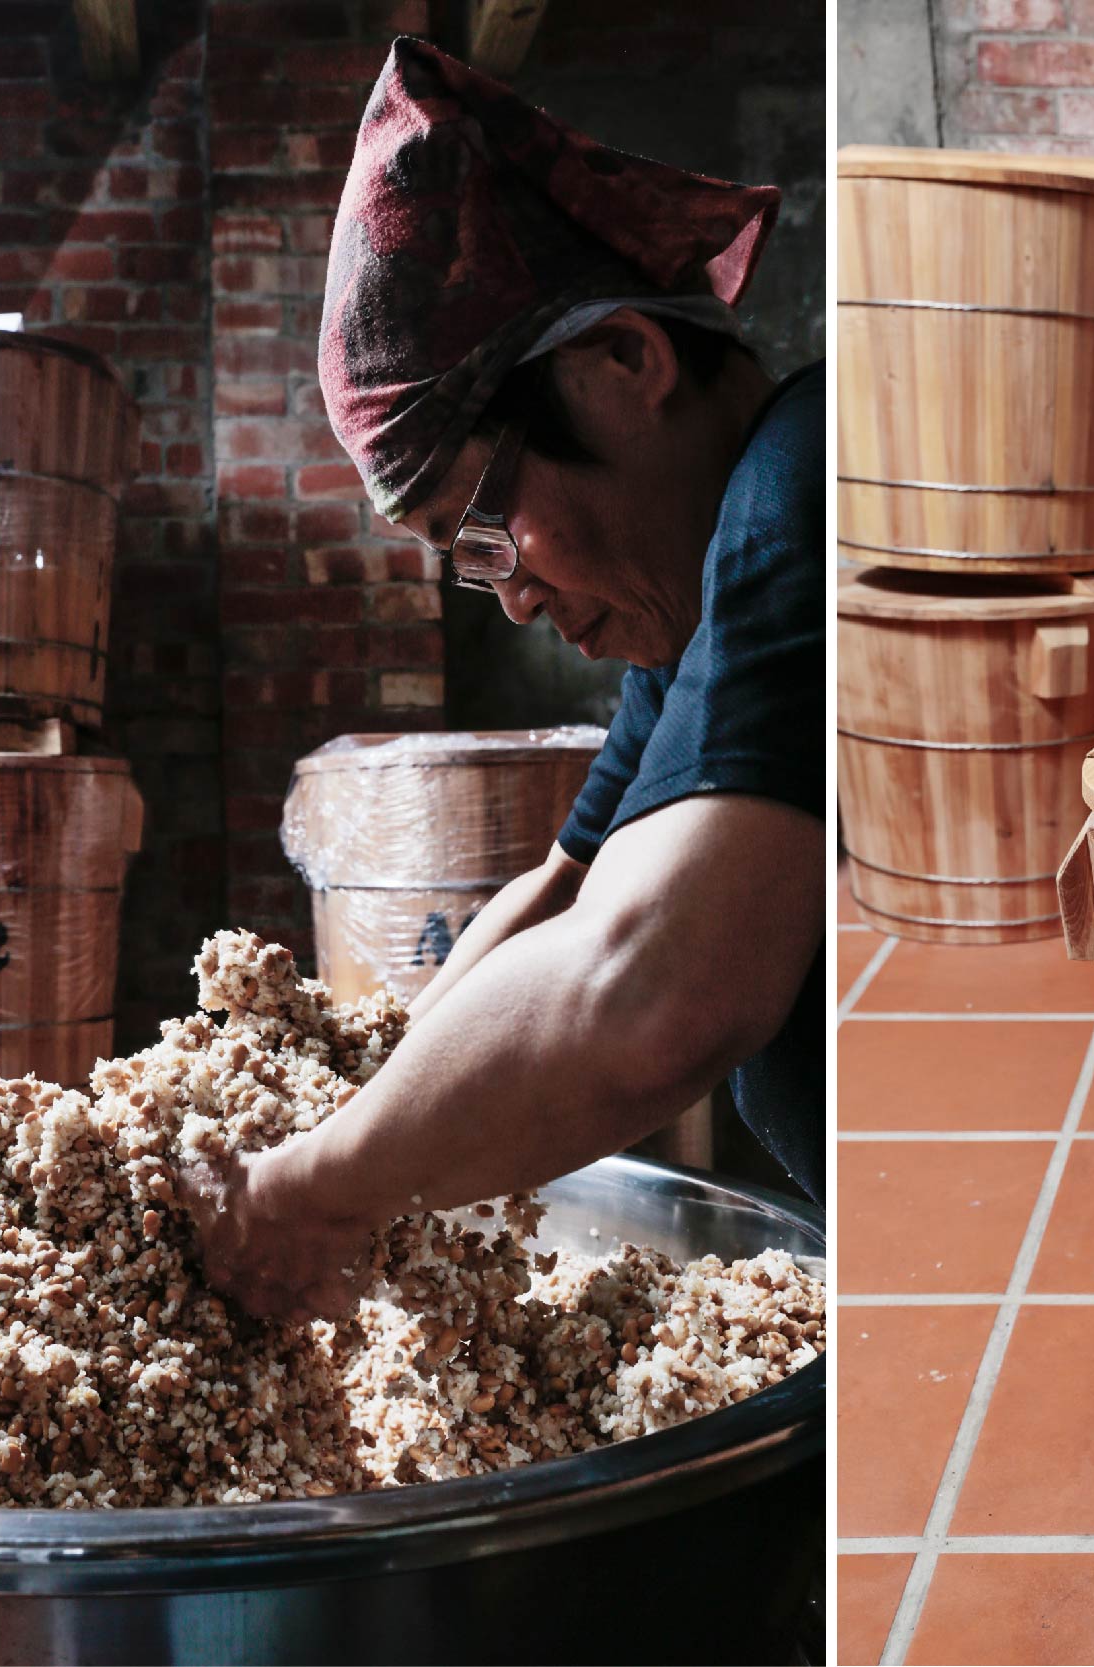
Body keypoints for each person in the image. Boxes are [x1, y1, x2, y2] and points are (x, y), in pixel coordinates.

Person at [184, 39, 825, 1319]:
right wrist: (379, 1099)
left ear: (624, 365)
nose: (513, 593)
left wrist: (310, 1192)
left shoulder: (800, 496)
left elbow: (648, 993)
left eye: (486, 526)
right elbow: (562, 895)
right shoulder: (691, 598)